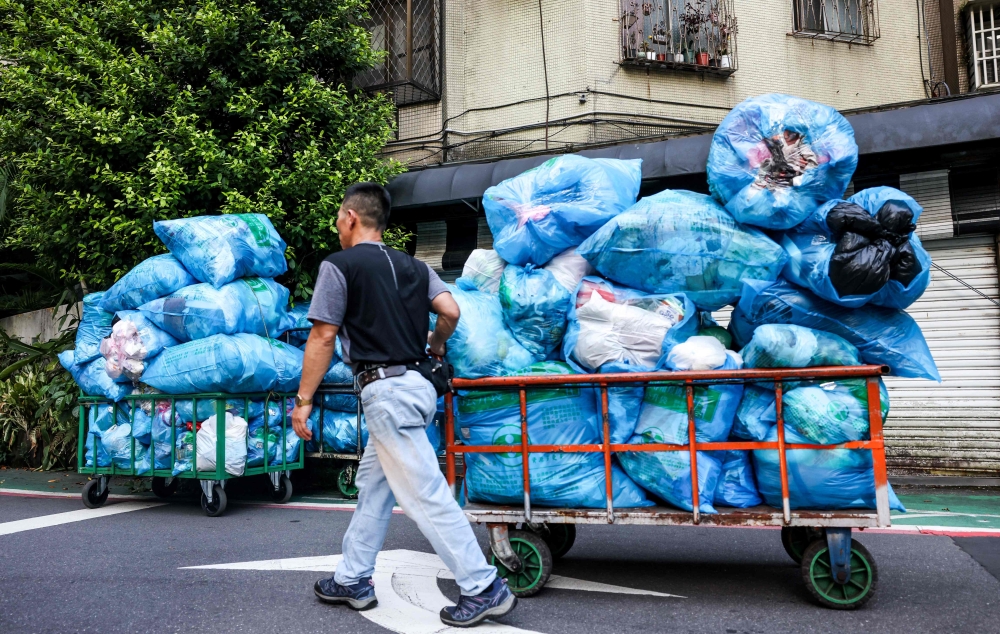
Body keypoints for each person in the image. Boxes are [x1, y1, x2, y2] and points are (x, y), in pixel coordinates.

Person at [290, 182, 517, 628]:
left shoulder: (339, 266)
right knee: (374, 488)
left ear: (351, 217)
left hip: (385, 391)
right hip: (418, 386)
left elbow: (321, 335)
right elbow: (450, 311)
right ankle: (353, 577)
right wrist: (435, 345)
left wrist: (303, 402)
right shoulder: (415, 266)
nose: (338, 225)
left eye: (339, 216)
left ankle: (483, 586)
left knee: (426, 496)